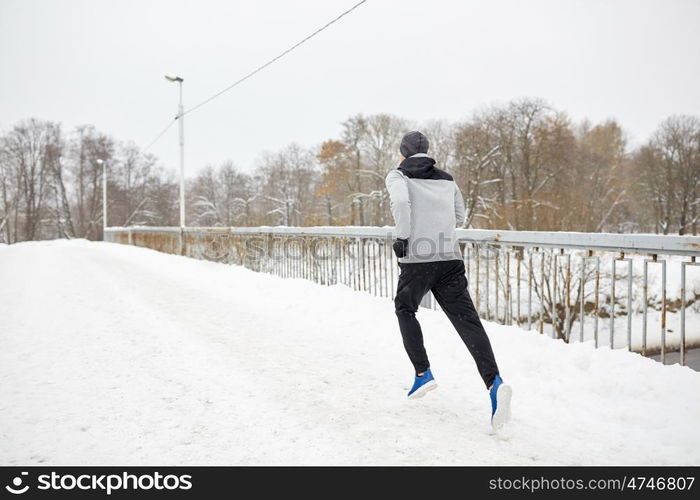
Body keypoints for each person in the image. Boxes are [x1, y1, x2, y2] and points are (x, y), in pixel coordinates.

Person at [385, 130, 512, 430]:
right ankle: (495, 383)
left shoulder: (397, 176)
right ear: (427, 152)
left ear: (403, 153)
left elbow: (402, 205)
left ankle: (422, 374)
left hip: (417, 258)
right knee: (468, 322)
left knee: (405, 308)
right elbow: (459, 213)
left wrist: (404, 237)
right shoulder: (447, 178)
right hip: (449, 258)